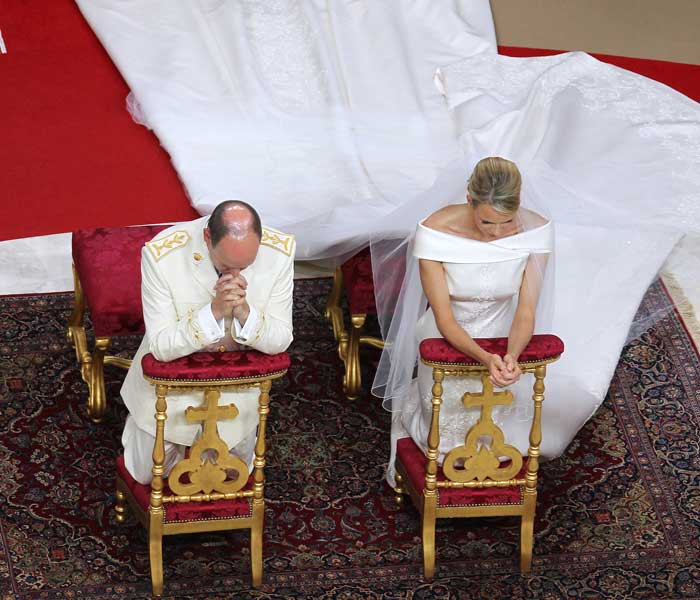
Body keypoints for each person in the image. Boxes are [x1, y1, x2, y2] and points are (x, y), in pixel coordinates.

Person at [377, 157, 554, 486]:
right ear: (470, 201)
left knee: (503, 439)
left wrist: (511, 356)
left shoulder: (536, 231)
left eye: (507, 222)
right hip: (447, 336)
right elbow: (443, 316)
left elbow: (526, 310)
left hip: (504, 333)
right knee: (445, 442)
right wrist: (486, 359)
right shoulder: (435, 231)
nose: (497, 233)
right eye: (487, 222)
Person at [120, 200, 295, 484]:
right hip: (170, 393)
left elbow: (280, 340)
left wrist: (244, 313)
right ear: (207, 239)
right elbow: (162, 346)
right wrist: (213, 312)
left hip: (236, 392)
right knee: (148, 475)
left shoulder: (279, 253)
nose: (236, 276)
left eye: (245, 267)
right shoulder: (162, 255)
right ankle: (138, 425)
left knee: (230, 477)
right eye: (226, 265)